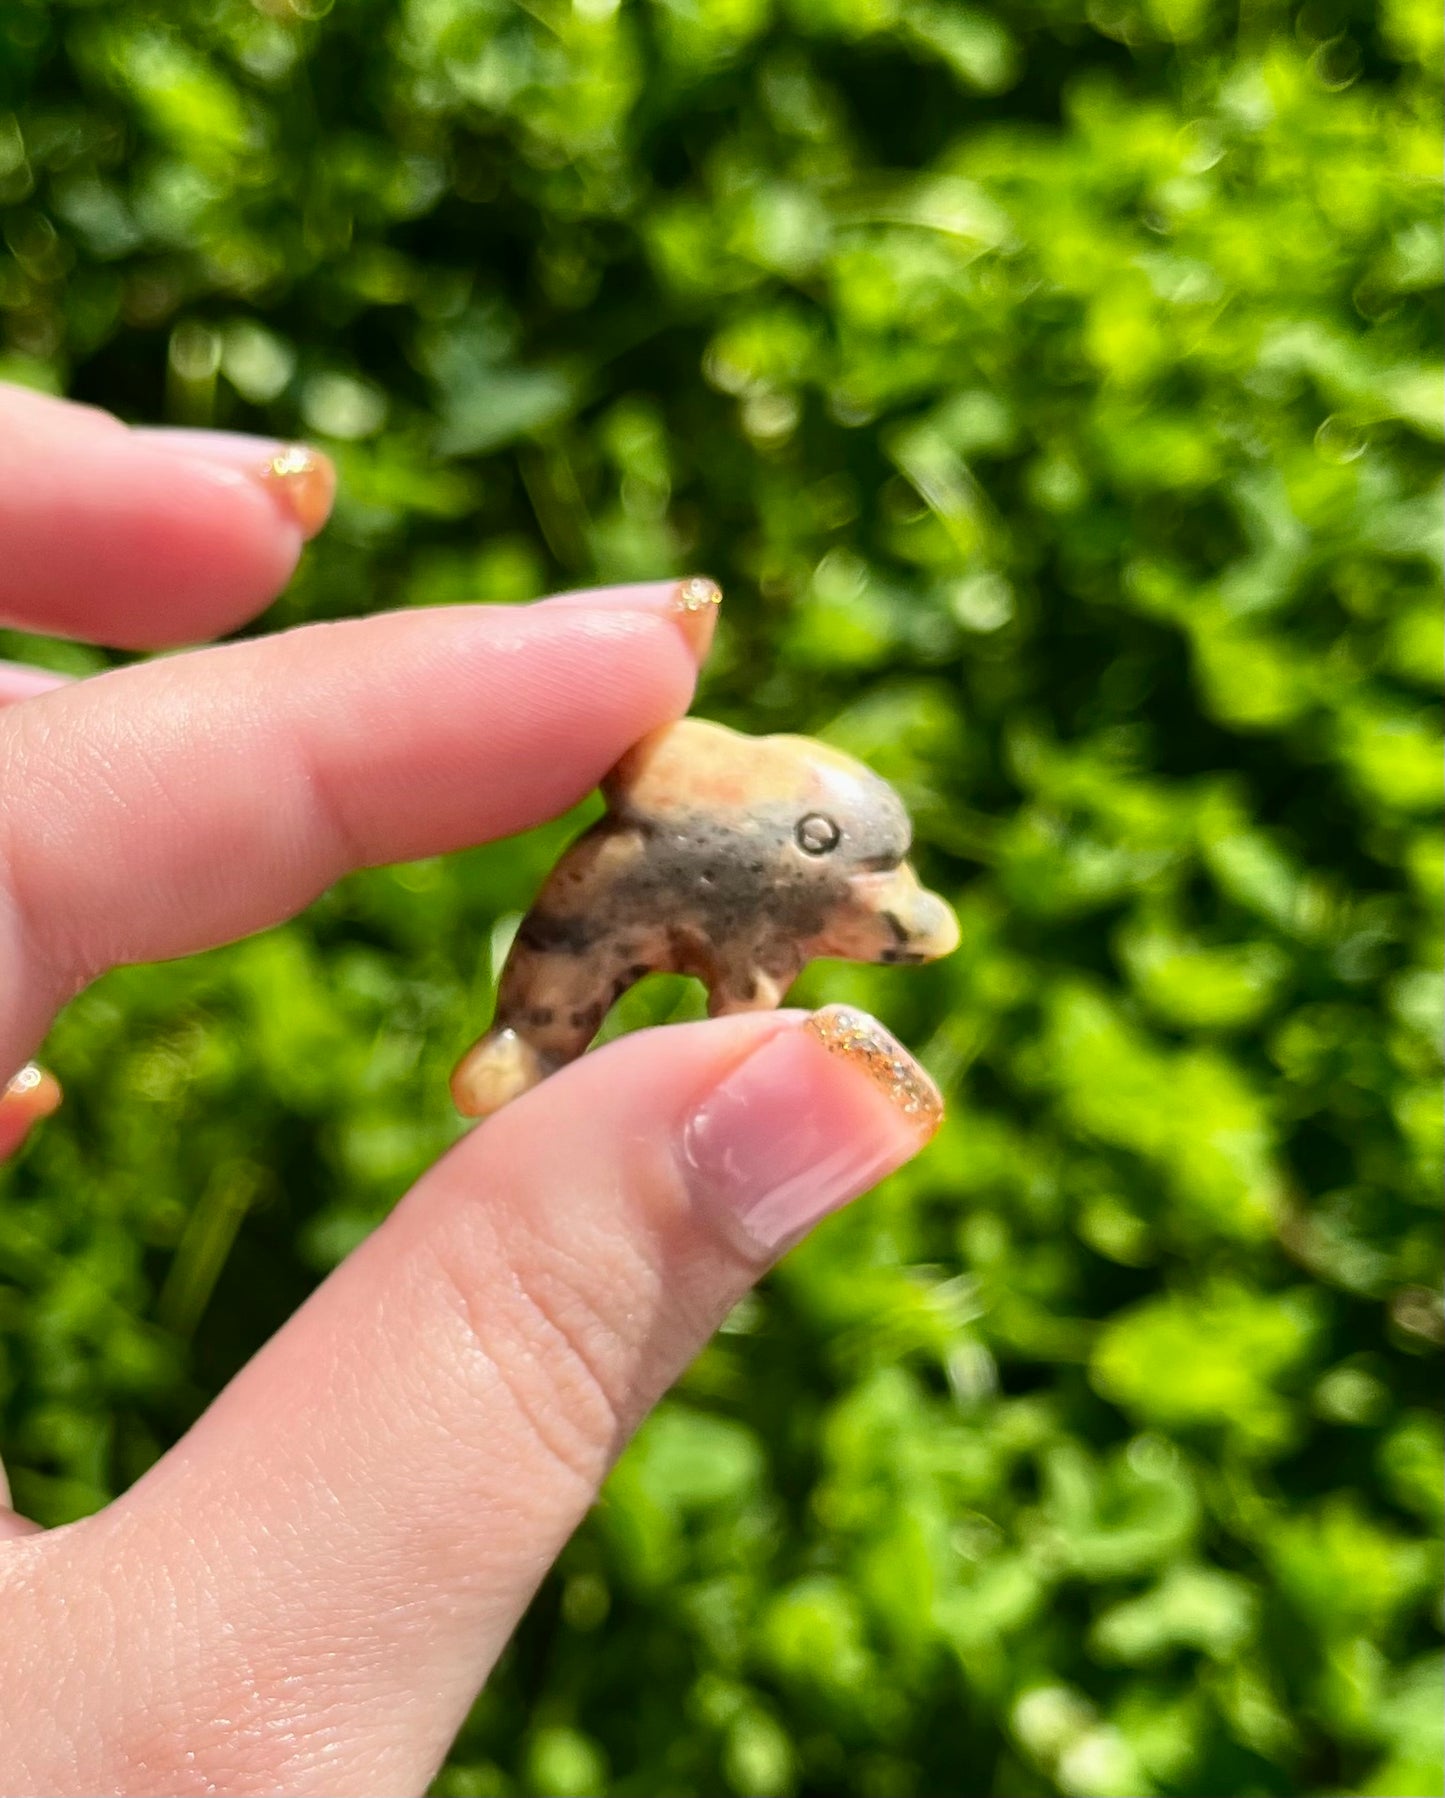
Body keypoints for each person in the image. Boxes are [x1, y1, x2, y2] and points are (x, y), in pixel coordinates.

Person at [0, 384, 942, 1795]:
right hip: (620, 898)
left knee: (685, 992)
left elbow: (761, 958)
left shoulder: (790, 882)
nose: (893, 927)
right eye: (882, 912)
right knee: (563, 973)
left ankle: (550, 1046)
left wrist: (757, 991)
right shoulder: (702, 851)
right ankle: (537, 1047)